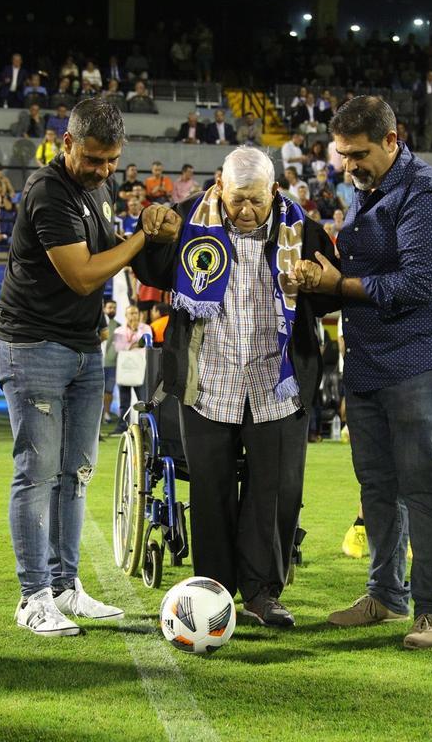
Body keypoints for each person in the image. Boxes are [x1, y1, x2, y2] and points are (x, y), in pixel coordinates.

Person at [131, 147, 339, 626]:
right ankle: (214, 592)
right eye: (237, 199)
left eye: (256, 202)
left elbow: (330, 295)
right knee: (211, 490)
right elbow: (151, 271)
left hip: (277, 386)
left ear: (275, 193)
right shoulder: (188, 220)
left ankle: (263, 594)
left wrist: (317, 280)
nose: (245, 211)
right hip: (209, 383)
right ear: (220, 187)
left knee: (277, 492)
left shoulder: (304, 232)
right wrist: (151, 233)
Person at [292, 97, 432, 650]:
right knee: (378, 488)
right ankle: (387, 596)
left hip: (422, 359)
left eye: (359, 154)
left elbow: (419, 285)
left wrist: (336, 286)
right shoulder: (371, 192)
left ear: (394, 139)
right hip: (368, 364)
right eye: (343, 156)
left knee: (423, 486)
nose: (349, 166)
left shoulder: (426, 194)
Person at [0, 98, 168, 636]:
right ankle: (32, 597)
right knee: (37, 473)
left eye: (112, 160)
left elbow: (108, 246)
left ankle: (65, 586)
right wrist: (143, 236)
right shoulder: (47, 191)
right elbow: (84, 275)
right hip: (33, 345)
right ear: (66, 142)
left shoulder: (97, 189)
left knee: (77, 473)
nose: (103, 169)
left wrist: (149, 225)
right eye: (94, 159)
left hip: (81, 347)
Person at [111, 303, 152, 433]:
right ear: (125, 315)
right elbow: (118, 348)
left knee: (142, 399)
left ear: (139, 314)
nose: (133, 316)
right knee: (124, 400)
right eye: (130, 313)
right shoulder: (119, 331)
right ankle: (122, 426)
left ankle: (143, 426)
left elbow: (146, 345)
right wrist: (134, 343)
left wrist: (135, 333)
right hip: (125, 368)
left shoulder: (146, 328)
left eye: (135, 313)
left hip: (140, 368)